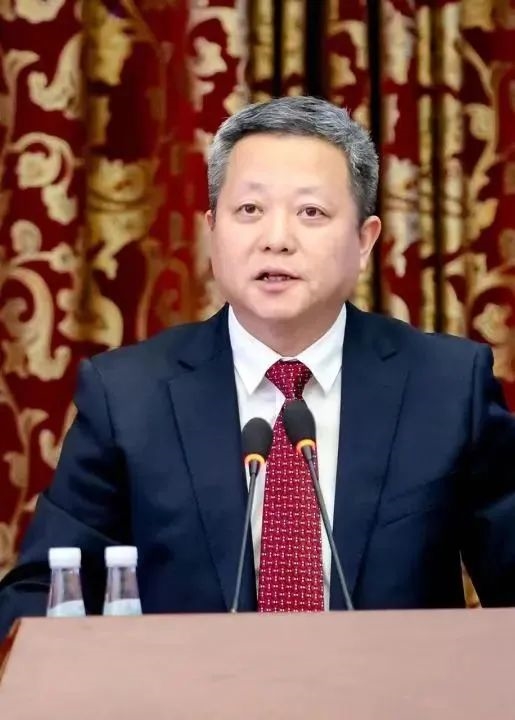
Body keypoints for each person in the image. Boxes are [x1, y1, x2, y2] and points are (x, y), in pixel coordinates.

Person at [1, 96, 514, 638]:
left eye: (311, 212)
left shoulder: (445, 387)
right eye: (249, 210)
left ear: (364, 241)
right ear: (212, 230)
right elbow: (39, 595)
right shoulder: (129, 397)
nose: (276, 239)